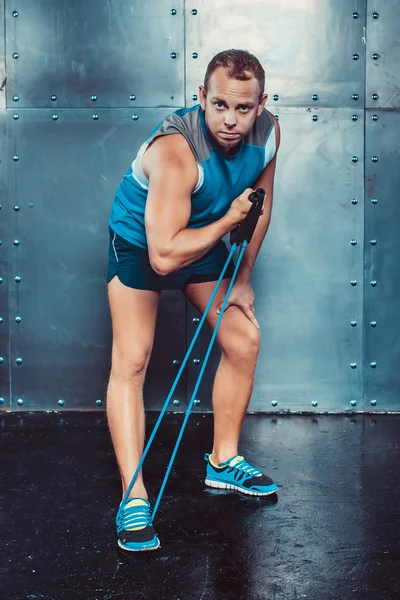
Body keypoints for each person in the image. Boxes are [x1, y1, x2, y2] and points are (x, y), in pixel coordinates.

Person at [106, 49, 281, 552]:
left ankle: (223, 463)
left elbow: (260, 206)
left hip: (201, 238)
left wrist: (243, 275)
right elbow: (163, 256)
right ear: (201, 97)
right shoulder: (175, 150)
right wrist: (226, 222)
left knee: (244, 338)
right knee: (132, 359)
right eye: (220, 104)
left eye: (243, 109)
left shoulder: (269, 133)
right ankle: (133, 495)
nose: (230, 119)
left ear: (261, 105)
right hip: (145, 245)